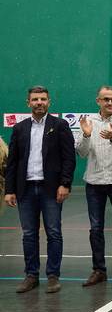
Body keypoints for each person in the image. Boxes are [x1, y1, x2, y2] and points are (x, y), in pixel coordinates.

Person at [4, 86, 76, 293]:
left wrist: (65, 184)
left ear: (49, 102)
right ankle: (31, 275)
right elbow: (12, 162)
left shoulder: (60, 125)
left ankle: (53, 276)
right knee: (28, 234)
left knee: (54, 233)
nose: (39, 103)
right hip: (25, 190)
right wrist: (9, 190)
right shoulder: (20, 128)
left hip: (51, 189)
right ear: (28, 103)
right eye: (35, 99)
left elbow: (68, 158)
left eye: (43, 99)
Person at [76, 86, 112, 288]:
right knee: (95, 229)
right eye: (106, 99)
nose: (110, 102)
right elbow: (81, 153)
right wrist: (86, 135)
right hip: (94, 182)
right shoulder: (87, 121)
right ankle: (99, 270)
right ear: (98, 101)